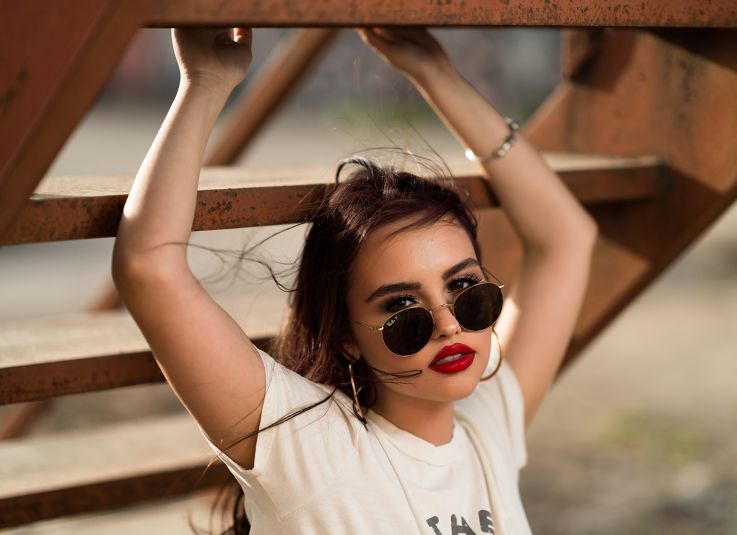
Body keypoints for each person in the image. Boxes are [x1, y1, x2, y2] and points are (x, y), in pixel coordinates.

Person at [112, 26, 597, 535]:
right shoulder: (311, 449)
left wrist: (437, 75)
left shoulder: (487, 420)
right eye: (401, 308)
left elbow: (567, 237)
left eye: (464, 290)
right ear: (346, 336)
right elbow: (149, 267)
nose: (448, 326)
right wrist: (204, 85)